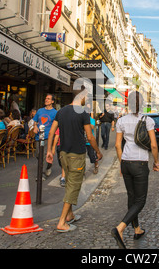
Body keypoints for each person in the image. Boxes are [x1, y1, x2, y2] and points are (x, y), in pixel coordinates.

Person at [46, 87, 102, 233]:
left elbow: (52, 132)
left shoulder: (61, 111)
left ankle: (70, 214)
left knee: (70, 183)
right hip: (76, 154)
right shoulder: (82, 113)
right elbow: (90, 137)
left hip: (63, 153)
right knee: (73, 187)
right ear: (81, 97)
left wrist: (49, 151)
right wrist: (97, 151)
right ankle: (62, 222)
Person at [112, 91, 159, 249]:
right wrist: (156, 162)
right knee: (140, 200)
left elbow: (118, 145)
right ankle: (120, 229)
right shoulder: (148, 120)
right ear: (143, 104)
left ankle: (137, 229)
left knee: (132, 197)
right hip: (139, 162)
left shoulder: (121, 120)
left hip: (126, 162)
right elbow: (153, 145)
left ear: (128, 103)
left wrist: (121, 163)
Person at [33, 94, 57, 176]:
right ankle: (49, 165)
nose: (46, 100)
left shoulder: (55, 113)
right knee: (38, 154)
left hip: (48, 137)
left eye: (48, 99)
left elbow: (56, 126)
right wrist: (35, 126)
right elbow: (35, 121)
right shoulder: (40, 111)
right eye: (46, 98)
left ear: (52, 101)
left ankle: (41, 174)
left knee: (44, 155)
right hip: (38, 136)